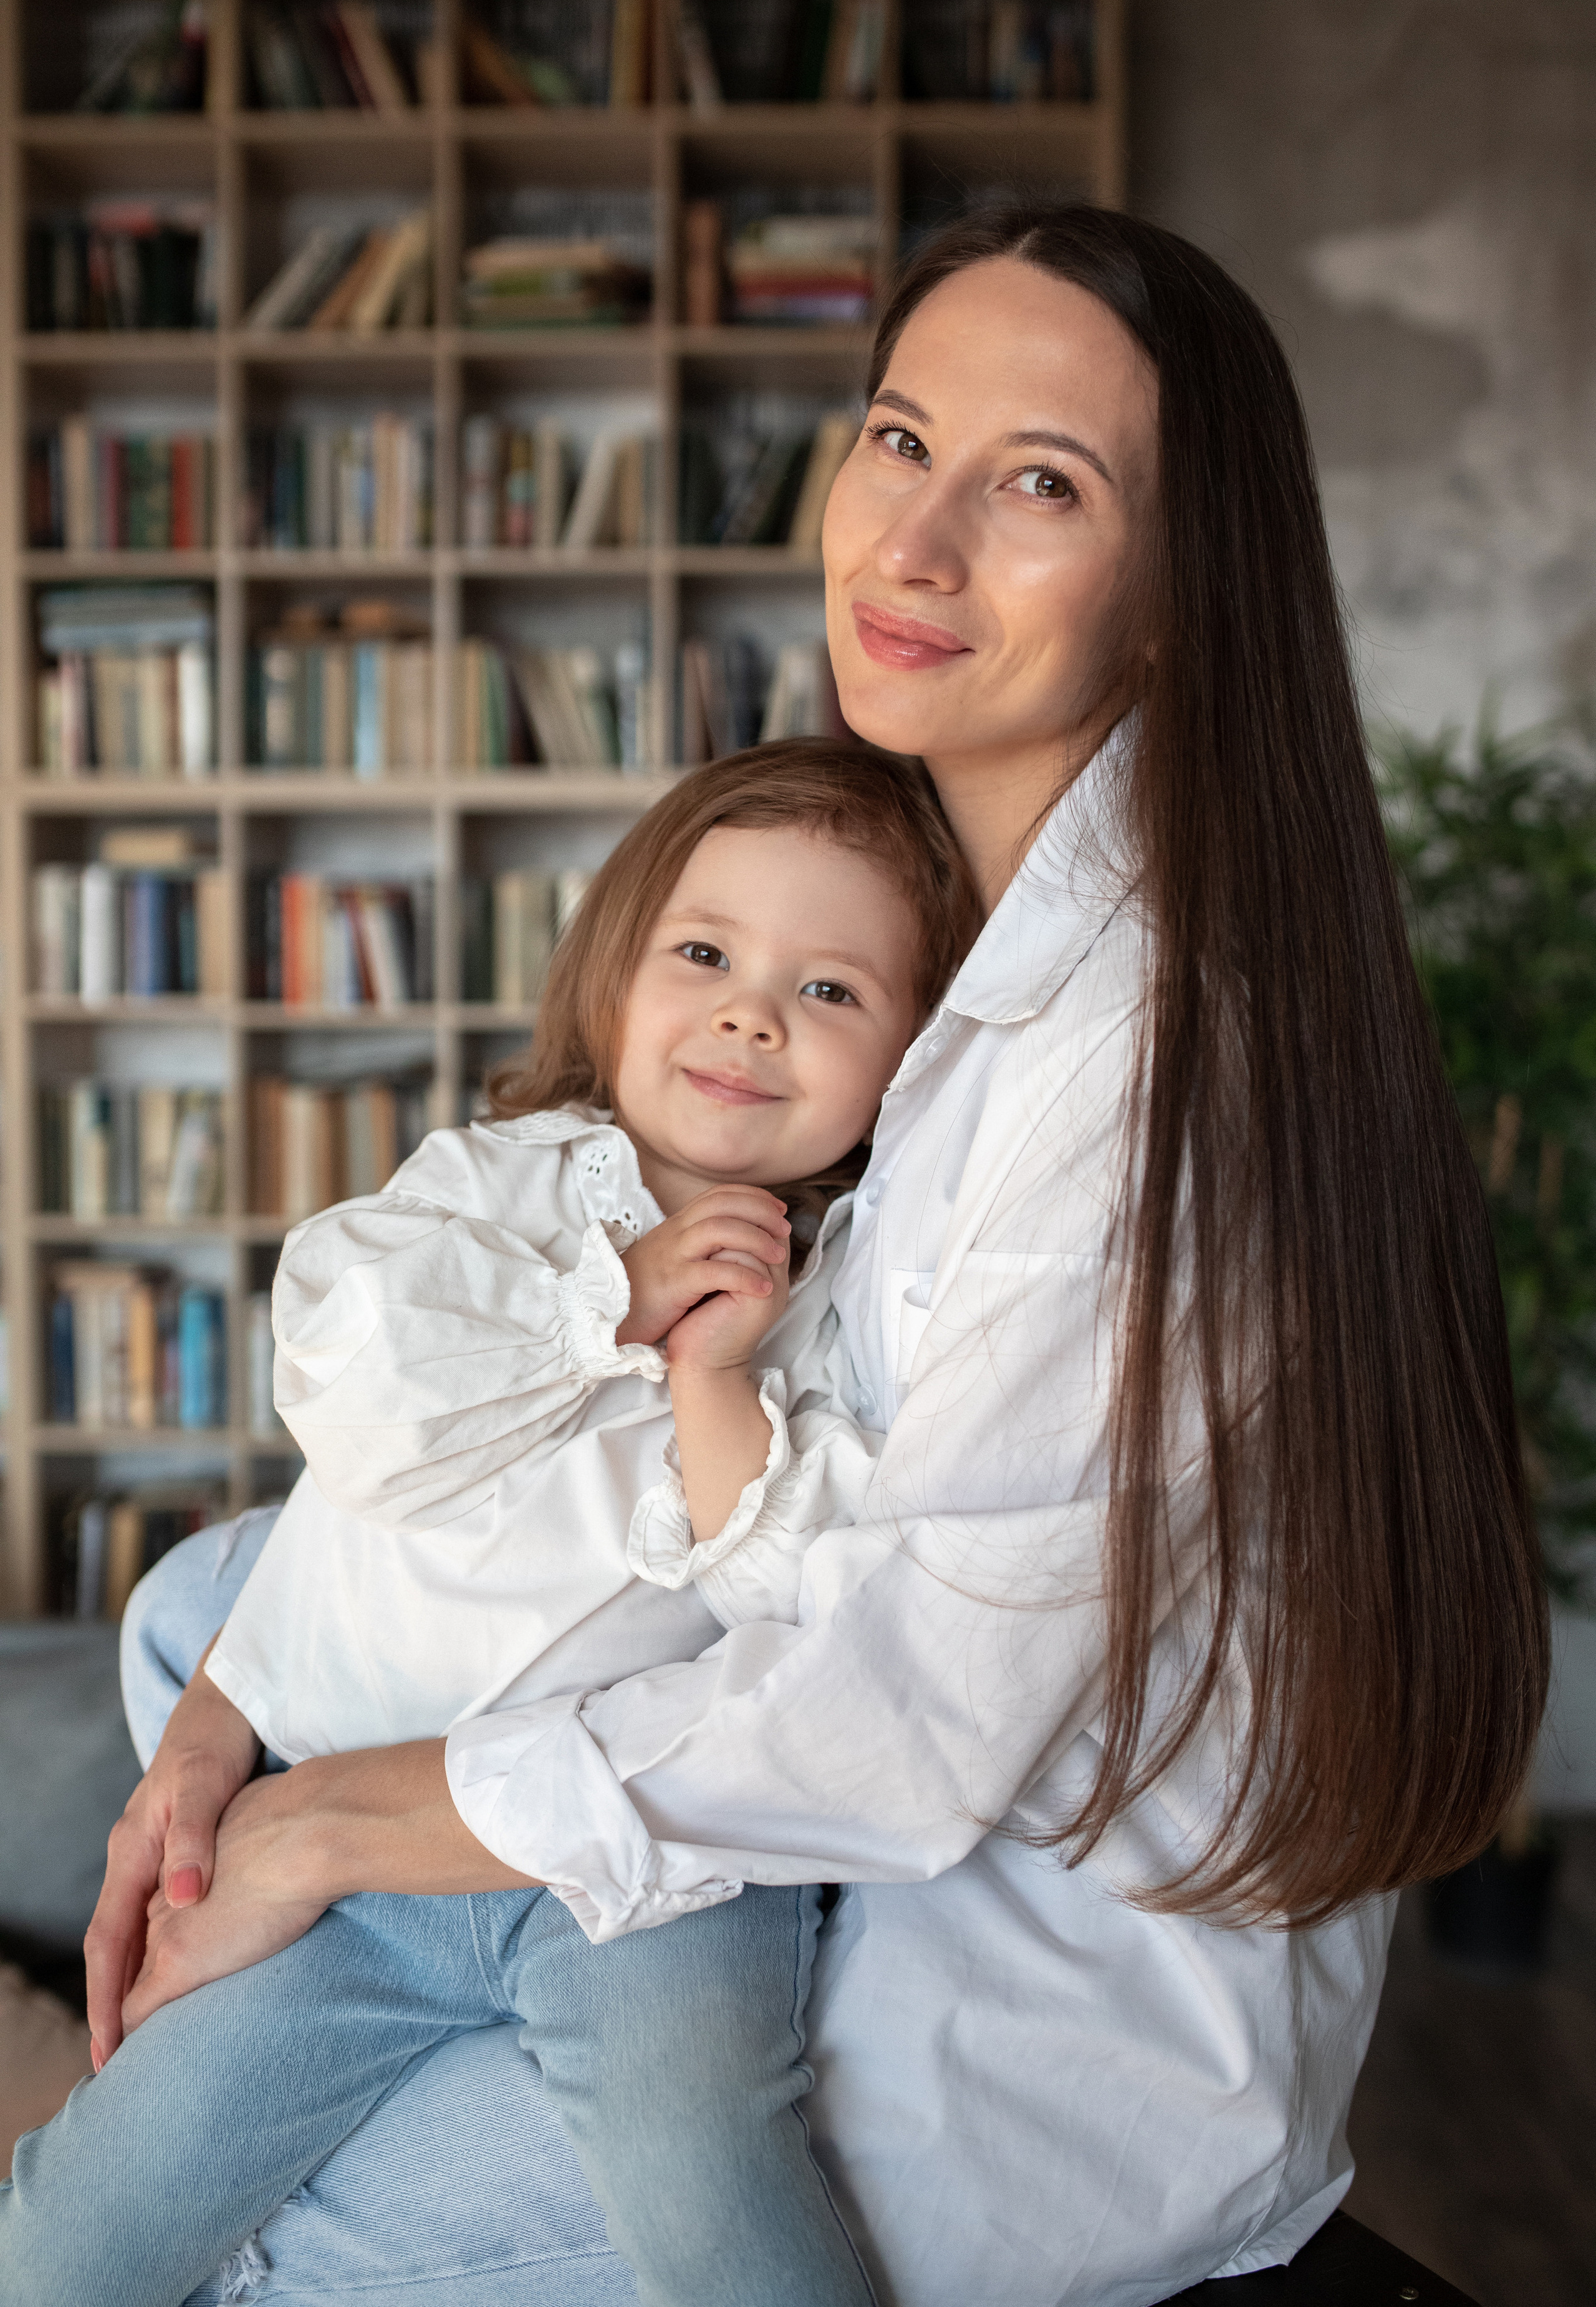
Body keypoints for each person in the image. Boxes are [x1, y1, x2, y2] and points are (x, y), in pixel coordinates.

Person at [19, 204, 1550, 2307]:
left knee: (243, 2214)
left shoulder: (1150, 1073)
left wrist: (323, 1822)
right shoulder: (944, 952)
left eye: (1040, 485)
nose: (912, 549)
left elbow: (891, 1728)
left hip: (991, 2005)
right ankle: (403, 1885)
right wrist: (224, 1726)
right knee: (206, 1608)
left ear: (1190, 596)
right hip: (806, 1737)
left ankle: (453, 1961)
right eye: (900, 439)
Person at [1, 743, 981, 2307]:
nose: (748, 1014)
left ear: (911, 1060)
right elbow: (349, 1382)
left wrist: (718, 1378)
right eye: (708, 956)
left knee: (714, 2187)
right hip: (353, 1869)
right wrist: (611, 1295)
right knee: (81, 2229)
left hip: (650, 1881)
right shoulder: (494, 1182)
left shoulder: (844, 1297)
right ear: (616, 971)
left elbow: (809, 1605)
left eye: (829, 993)